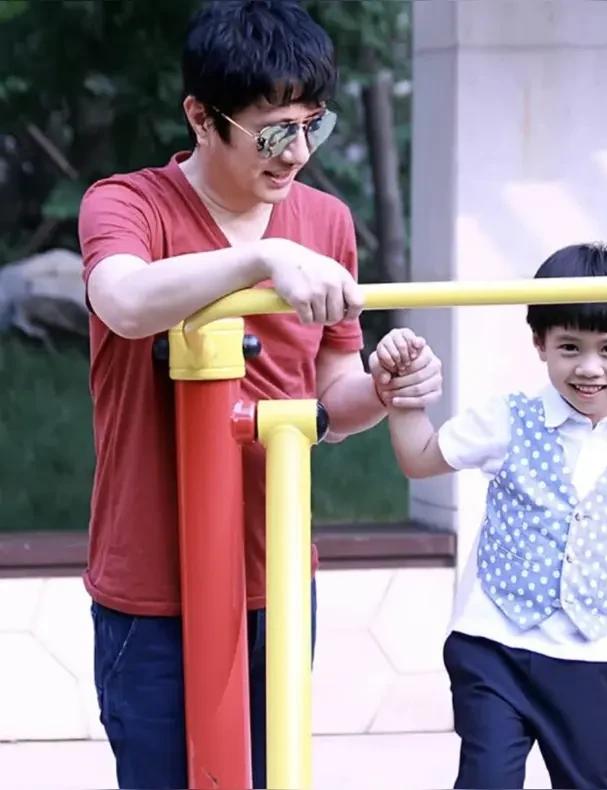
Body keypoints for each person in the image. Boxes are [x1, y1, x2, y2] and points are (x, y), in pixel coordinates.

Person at [77, 1, 441, 787]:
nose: (298, 154)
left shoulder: (327, 221)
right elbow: (125, 302)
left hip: (272, 575)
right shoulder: (128, 203)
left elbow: (329, 399)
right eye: (275, 133)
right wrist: (260, 261)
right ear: (201, 117)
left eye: (315, 126)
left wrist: (384, 389)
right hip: (151, 587)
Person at [371, 242, 607, 790]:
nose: (589, 367)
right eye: (570, 347)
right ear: (540, 344)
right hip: (493, 647)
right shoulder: (508, 419)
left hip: (597, 658)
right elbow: (420, 458)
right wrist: (404, 396)